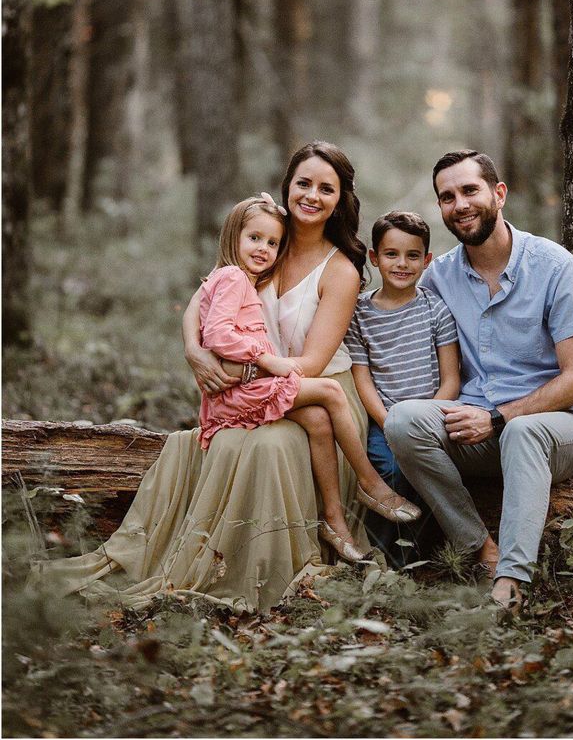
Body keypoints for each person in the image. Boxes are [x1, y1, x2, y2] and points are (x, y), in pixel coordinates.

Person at [36, 142, 396, 612]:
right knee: (215, 443)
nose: (312, 195)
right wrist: (193, 350)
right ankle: (216, 558)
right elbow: (201, 299)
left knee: (268, 447)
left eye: (326, 189)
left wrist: (240, 370)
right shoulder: (266, 243)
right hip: (263, 387)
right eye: (303, 183)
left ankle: (289, 554)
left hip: (318, 389)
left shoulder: (341, 270)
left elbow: (308, 365)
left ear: (340, 199)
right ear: (287, 185)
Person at [384, 150, 573, 612]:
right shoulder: (439, 277)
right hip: (476, 429)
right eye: (447, 197)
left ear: (498, 194)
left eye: (470, 190)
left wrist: (498, 417)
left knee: (523, 431)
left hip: (558, 427)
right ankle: (480, 549)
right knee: (404, 420)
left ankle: (511, 580)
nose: (459, 204)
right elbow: (390, 322)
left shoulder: (553, 266)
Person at [195, 193, 420, 559]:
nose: (264, 247)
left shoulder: (267, 265)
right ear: (235, 236)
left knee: (318, 418)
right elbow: (212, 322)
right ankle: (369, 482)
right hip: (250, 383)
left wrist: (254, 365)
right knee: (330, 393)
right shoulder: (238, 274)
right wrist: (209, 351)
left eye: (272, 242)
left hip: (259, 380)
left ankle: (334, 519)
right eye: (255, 239)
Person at [345, 210, 460, 565]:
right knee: (390, 469)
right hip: (383, 419)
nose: (402, 264)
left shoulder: (435, 309)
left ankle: (422, 555)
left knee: (432, 469)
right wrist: (387, 423)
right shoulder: (359, 313)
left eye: (413, 255)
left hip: (429, 419)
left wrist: (428, 419)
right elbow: (362, 378)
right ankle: (384, 559)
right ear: (374, 258)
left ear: (426, 260)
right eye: (392, 254)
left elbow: (451, 379)